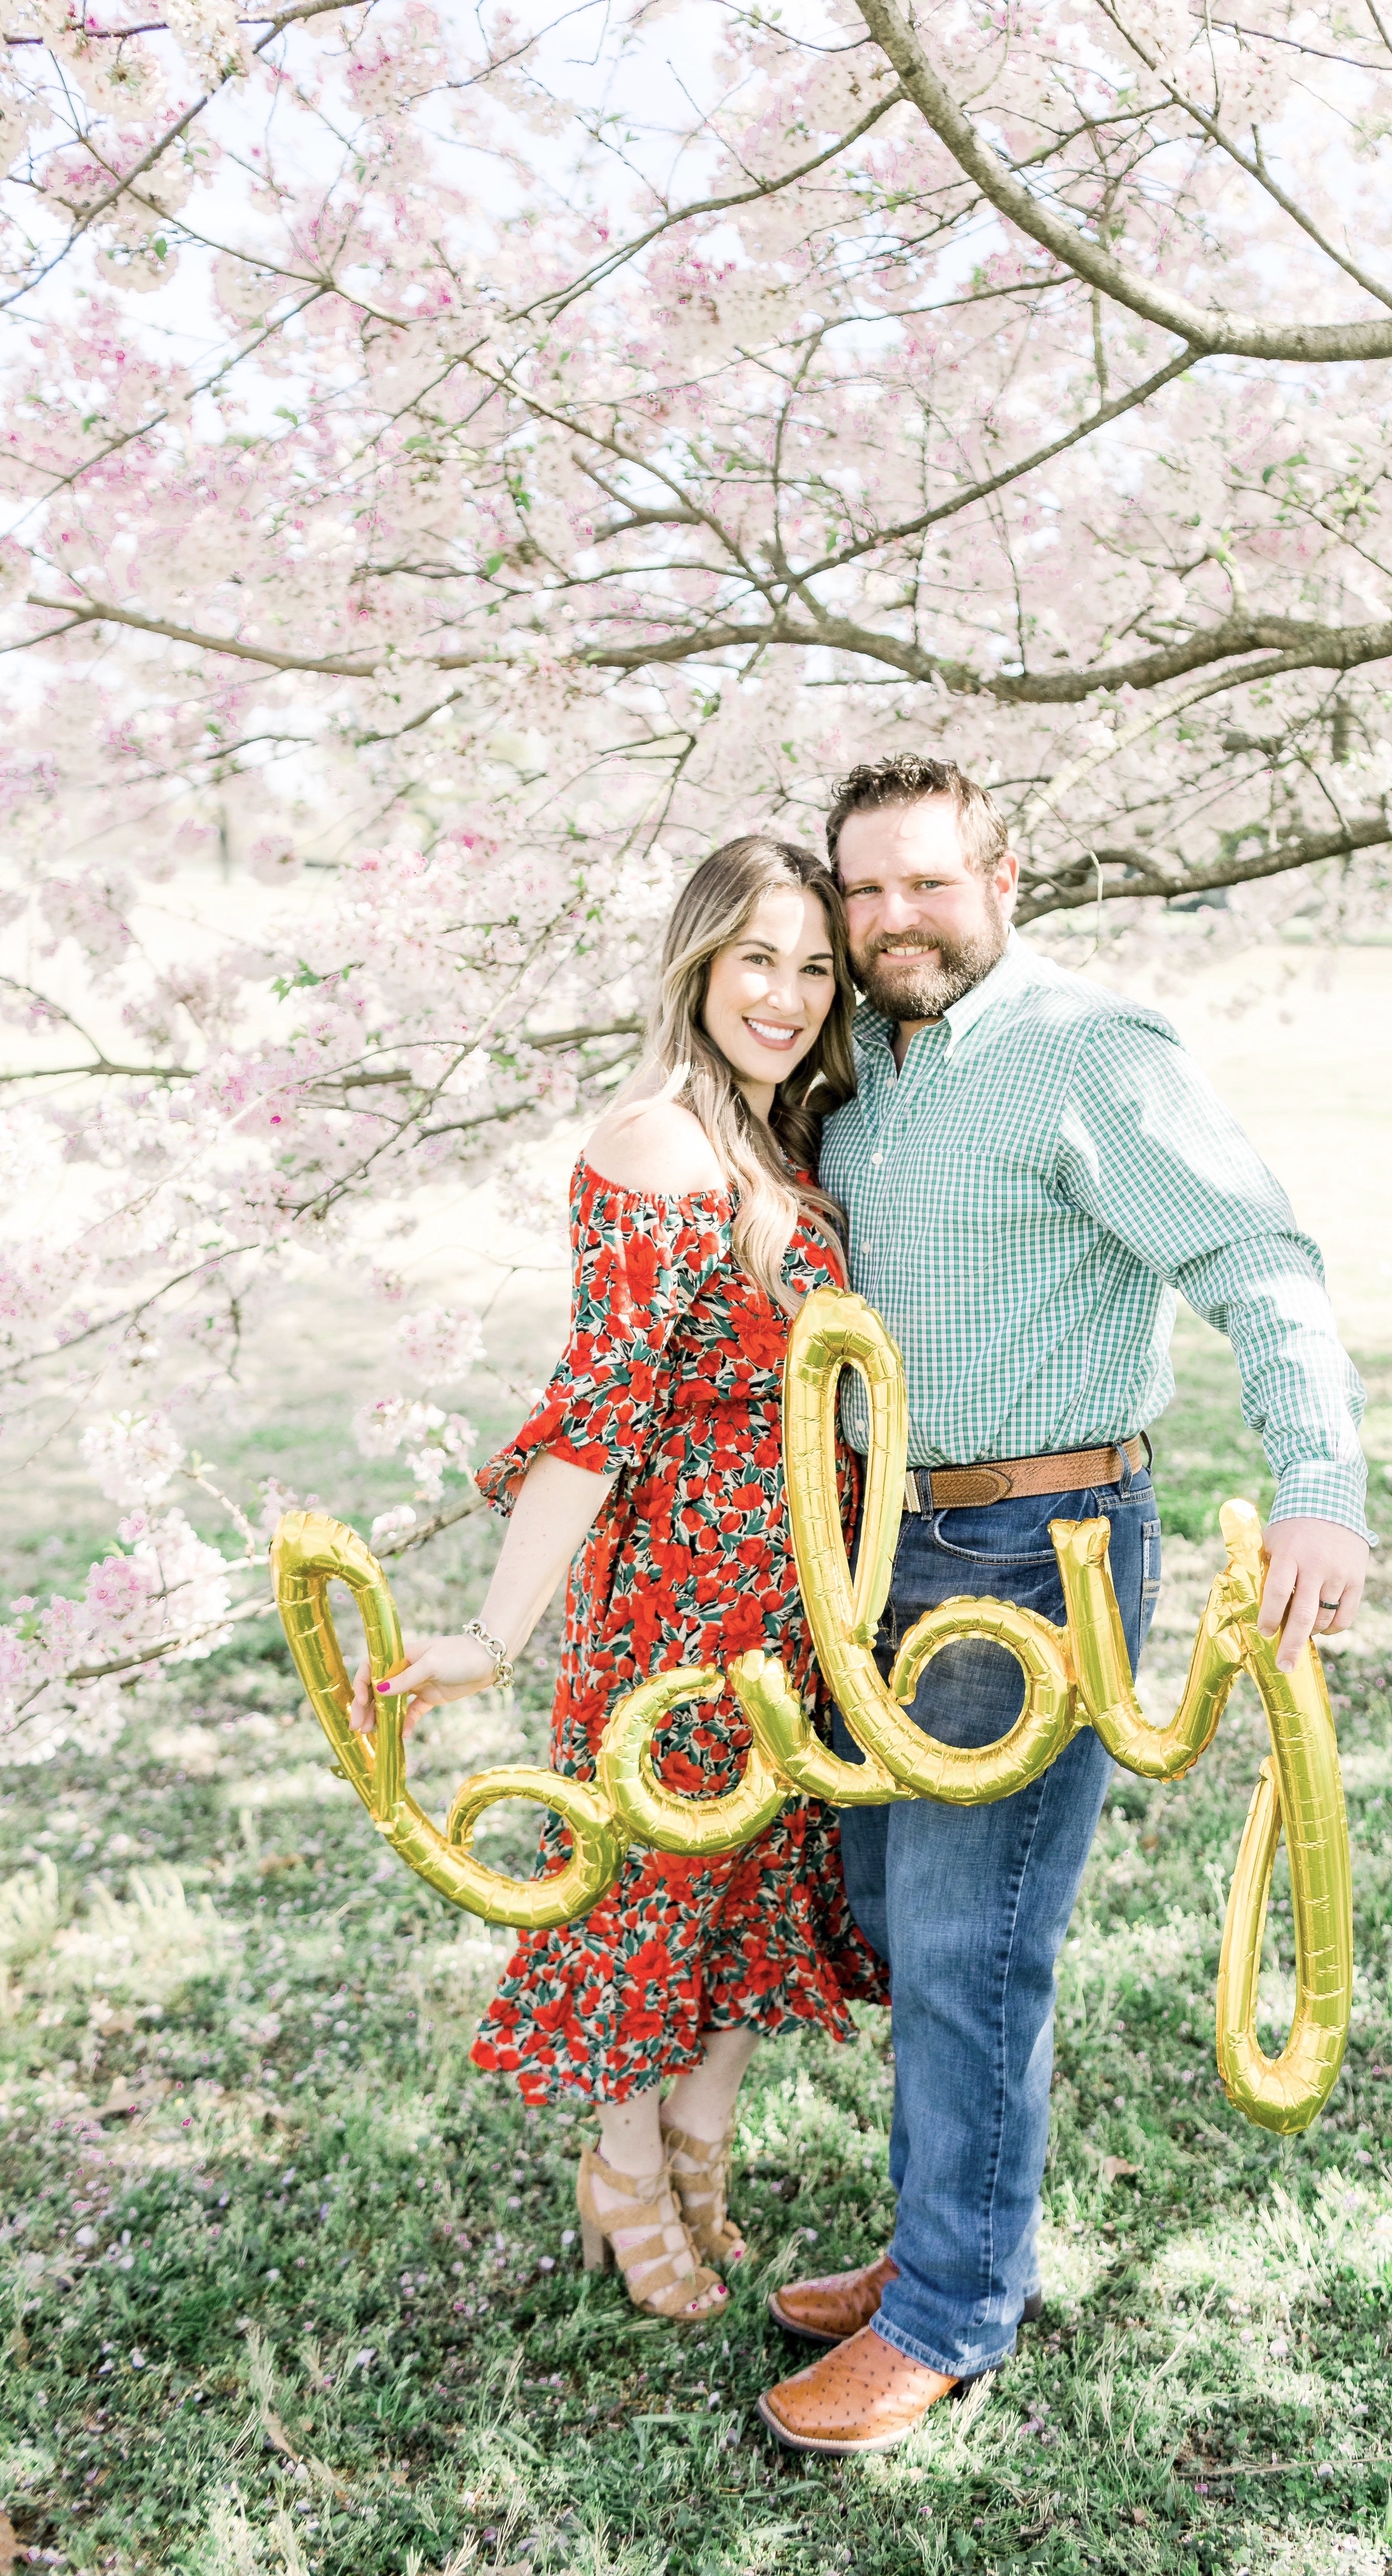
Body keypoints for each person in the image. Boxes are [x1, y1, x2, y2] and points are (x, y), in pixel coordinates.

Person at [757, 755, 1373, 2455]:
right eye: (864, 890)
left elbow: (1259, 1264)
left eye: (927, 884)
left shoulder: (1089, 1054)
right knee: (888, 1908)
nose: (892, 919)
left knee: (972, 1944)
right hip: (872, 1552)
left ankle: (949, 2310)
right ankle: (934, 2242)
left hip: (1039, 1556)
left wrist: (1320, 1488)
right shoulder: (859, 1074)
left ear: (1004, 876)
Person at [351, 834, 885, 2323]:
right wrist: (492, 1631)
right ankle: (627, 2168)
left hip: (795, 1599)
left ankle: (703, 2148)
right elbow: (599, 1410)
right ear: (698, 964)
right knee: (655, 1881)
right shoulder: (657, 1142)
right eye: (755, 961)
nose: (783, 996)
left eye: (812, 969)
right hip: (680, 1601)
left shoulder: (782, 1143)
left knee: (757, 1880)